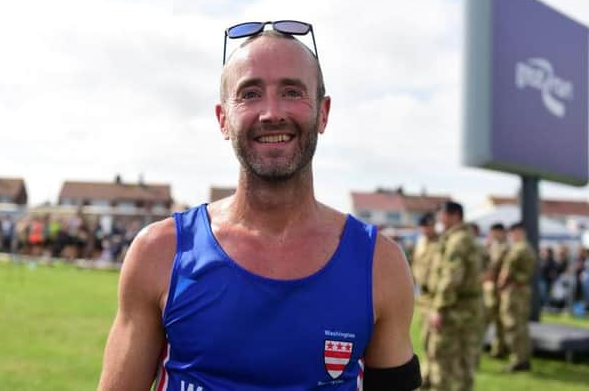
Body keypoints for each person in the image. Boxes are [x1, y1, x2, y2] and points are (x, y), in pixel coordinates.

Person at [98, 22, 420, 390]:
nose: (271, 113)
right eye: (250, 94)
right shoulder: (161, 251)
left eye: (291, 92)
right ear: (223, 119)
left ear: (323, 113)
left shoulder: (380, 263)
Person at [426, 201, 482, 391]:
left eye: (443, 214)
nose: (440, 219)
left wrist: (439, 307)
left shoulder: (457, 240)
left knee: (443, 358)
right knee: (464, 359)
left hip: (454, 309)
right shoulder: (467, 238)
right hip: (466, 308)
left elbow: (452, 276)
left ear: (455, 215)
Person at [497, 222, 536, 372]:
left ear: (518, 232)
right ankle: (523, 359)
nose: (511, 236)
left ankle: (518, 360)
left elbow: (506, 271)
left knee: (512, 325)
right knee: (521, 325)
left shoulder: (518, 249)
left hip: (514, 291)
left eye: (513, 233)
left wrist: (500, 284)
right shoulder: (528, 248)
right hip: (523, 289)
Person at [411, 212, 440, 385]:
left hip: (436, 296)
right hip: (423, 297)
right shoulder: (421, 243)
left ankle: (433, 375)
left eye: (428, 226)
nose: (426, 229)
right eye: (423, 226)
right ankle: (427, 373)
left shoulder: (441, 243)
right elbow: (415, 266)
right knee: (425, 337)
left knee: (435, 341)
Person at [482, 223, 509, 358]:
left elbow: (498, 267)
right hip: (491, 287)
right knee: (492, 319)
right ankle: (496, 348)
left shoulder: (506, 247)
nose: (492, 235)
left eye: (494, 232)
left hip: (498, 288)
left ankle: (499, 349)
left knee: (497, 320)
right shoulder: (493, 246)